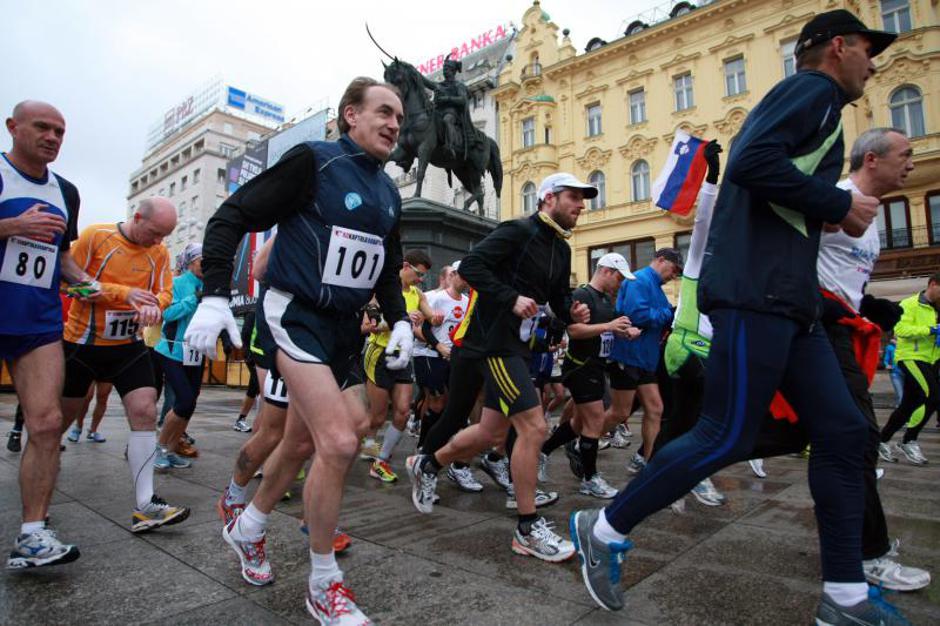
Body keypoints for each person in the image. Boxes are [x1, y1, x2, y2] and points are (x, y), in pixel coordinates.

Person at [569, 11, 910, 624]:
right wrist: (838, 203)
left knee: (846, 435)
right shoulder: (813, 91)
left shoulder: (821, 102)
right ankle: (605, 528)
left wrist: (823, 214)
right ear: (839, 47)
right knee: (723, 433)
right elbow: (751, 163)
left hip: (790, 297)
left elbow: (768, 185)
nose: (873, 62)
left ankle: (845, 596)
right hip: (758, 291)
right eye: (867, 48)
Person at [187, 76, 410, 624]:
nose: (393, 125)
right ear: (350, 115)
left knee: (320, 435)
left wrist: (401, 320)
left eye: (400, 119)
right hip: (295, 316)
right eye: (383, 112)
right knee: (336, 443)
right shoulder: (314, 161)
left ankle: (251, 524)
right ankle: (323, 585)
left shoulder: (387, 192)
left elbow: (383, 263)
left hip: (343, 331)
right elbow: (232, 216)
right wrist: (215, 294)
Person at [406, 171, 591, 563]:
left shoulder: (562, 248)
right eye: (573, 196)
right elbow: (471, 268)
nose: (581, 204)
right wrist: (510, 298)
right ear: (548, 199)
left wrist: (571, 310)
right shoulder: (518, 230)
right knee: (535, 427)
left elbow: (556, 300)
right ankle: (527, 527)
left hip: (519, 346)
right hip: (495, 344)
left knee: (491, 432)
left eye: (582, 198)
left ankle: (428, 463)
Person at [61, 197, 190, 533]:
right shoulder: (95, 236)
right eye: (156, 233)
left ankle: (146, 505)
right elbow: (66, 282)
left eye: (166, 235)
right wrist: (126, 295)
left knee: (146, 410)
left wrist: (153, 307)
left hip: (128, 347)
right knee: (53, 426)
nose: (159, 242)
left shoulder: (159, 253)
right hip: (82, 346)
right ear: (137, 218)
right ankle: (38, 490)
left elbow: (164, 294)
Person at [3, 100, 94, 568]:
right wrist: (12, 226)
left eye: (60, 131)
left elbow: (61, 259)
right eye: (43, 127)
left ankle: (33, 534)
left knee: (47, 422)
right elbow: (22, 235)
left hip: (37, 320)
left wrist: (96, 287)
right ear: (12, 127)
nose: (53, 137)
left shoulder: (67, 192)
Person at [538, 253, 638, 498]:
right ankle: (590, 478)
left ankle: (543, 451)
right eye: (618, 278)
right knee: (594, 422)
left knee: (578, 424)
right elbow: (574, 330)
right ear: (605, 271)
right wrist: (609, 327)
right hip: (581, 367)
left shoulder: (605, 299)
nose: (620, 284)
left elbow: (606, 330)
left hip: (595, 367)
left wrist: (624, 331)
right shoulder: (582, 295)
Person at [362, 249, 439, 482]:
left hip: (403, 356)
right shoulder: (383, 290)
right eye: (418, 274)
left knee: (403, 412)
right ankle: (368, 446)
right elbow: (368, 327)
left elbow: (432, 318)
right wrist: (401, 318)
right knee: (377, 417)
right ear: (405, 266)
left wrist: (437, 318)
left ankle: (380, 461)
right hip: (380, 354)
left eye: (424, 276)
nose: (420, 279)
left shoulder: (418, 294)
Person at [411, 261, 483, 491]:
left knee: (453, 407)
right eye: (463, 276)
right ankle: (423, 449)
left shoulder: (467, 301)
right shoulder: (436, 298)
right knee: (437, 402)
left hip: (456, 358)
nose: (466, 281)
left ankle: (441, 457)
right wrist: (438, 346)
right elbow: (419, 328)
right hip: (429, 355)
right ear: (453, 275)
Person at [153, 243, 206, 469]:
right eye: (203, 261)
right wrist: (193, 299)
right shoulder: (176, 283)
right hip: (172, 350)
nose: (206, 266)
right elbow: (166, 313)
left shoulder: (209, 285)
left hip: (196, 352)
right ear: (191, 262)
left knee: (190, 404)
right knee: (182, 400)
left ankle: (171, 449)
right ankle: (159, 449)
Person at [879, 274, 940, 465]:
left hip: (930, 360)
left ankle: (881, 441)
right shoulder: (909, 304)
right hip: (910, 358)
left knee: (908, 404)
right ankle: (908, 440)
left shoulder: (936, 307)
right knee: (933, 396)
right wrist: (931, 329)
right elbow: (901, 330)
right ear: (933, 284)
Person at [233, 308, 258, 433]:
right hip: (254, 356)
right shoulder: (253, 311)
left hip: (265, 356)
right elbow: (246, 333)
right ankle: (242, 420)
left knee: (254, 388)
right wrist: (248, 355)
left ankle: (241, 419)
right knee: (258, 386)